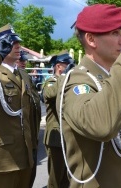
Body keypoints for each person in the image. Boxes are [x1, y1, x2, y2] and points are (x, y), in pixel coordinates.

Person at [56, 4, 121, 188]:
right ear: (91, 39)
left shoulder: (108, 77)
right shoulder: (77, 81)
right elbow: (102, 126)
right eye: (115, 33)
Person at [0, 24, 41, 188]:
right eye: (11, 42)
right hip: (4, 156)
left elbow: (33, 112)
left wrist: (33, 145)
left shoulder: (23, 74)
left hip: (26, 153)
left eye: (18, 41)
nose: (17, 45)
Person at [43, 51, 74, 188]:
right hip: (55, 137)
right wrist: (64, 76)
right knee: (55, 178)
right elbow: (51, 93)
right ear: (59, 67)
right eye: (67, 65)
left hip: (68, 136)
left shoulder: (67, 82)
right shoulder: (51, 82)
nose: (70, 68)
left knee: (67, 178)